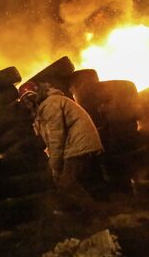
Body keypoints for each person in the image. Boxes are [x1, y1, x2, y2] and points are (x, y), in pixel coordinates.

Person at [19, 81, 104, 214]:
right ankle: (73, 212)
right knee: (64, 180)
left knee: (67, 182)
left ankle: (95, 215)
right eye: (25, 101)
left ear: (35, 96)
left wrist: (54, 164)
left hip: (78, 145)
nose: (27, 103)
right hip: (75, 144)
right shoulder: (44, 108)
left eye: (28, 99)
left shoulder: (50, 105)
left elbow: (56, 137)